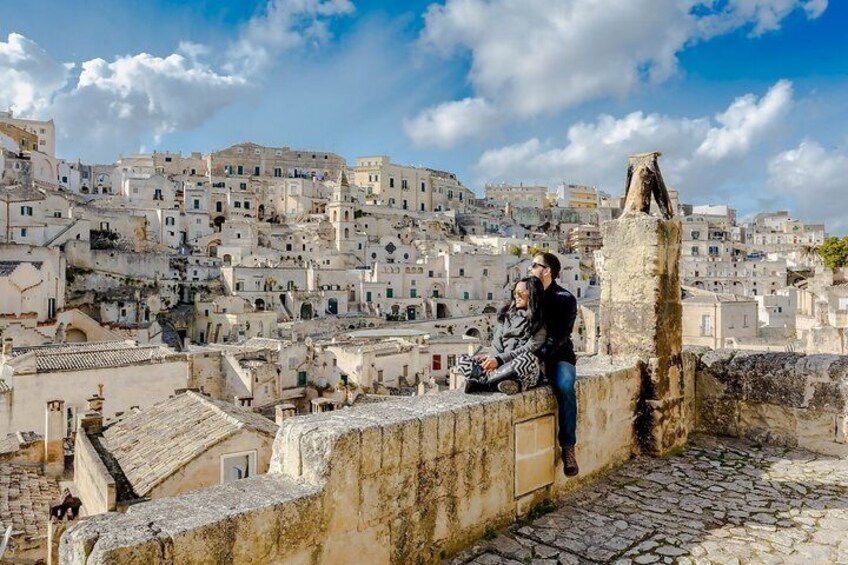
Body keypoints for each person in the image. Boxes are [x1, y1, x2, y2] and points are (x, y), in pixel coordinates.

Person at [530, 252, 580, 477]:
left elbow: (560, 335)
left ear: (547, 270)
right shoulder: (529, 294)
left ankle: (568, 448)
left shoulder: (565, 298)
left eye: (535, 265)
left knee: (566, 387)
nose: (531, 269)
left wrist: (539, 355)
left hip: (559, 355)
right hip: (531, 354)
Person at [459, 277, 546, 395]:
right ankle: (499, 382)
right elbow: (497, 343)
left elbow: (530, 347)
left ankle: (484, 382)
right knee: (462, 360)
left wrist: (499, 360)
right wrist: (491, 359)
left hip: (522, 369)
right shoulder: (506, 316)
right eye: (514, 293)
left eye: (519, 293)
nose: (516, 296)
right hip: (500, 366)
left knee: (526, 358)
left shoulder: (540, 321)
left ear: (532, 293)